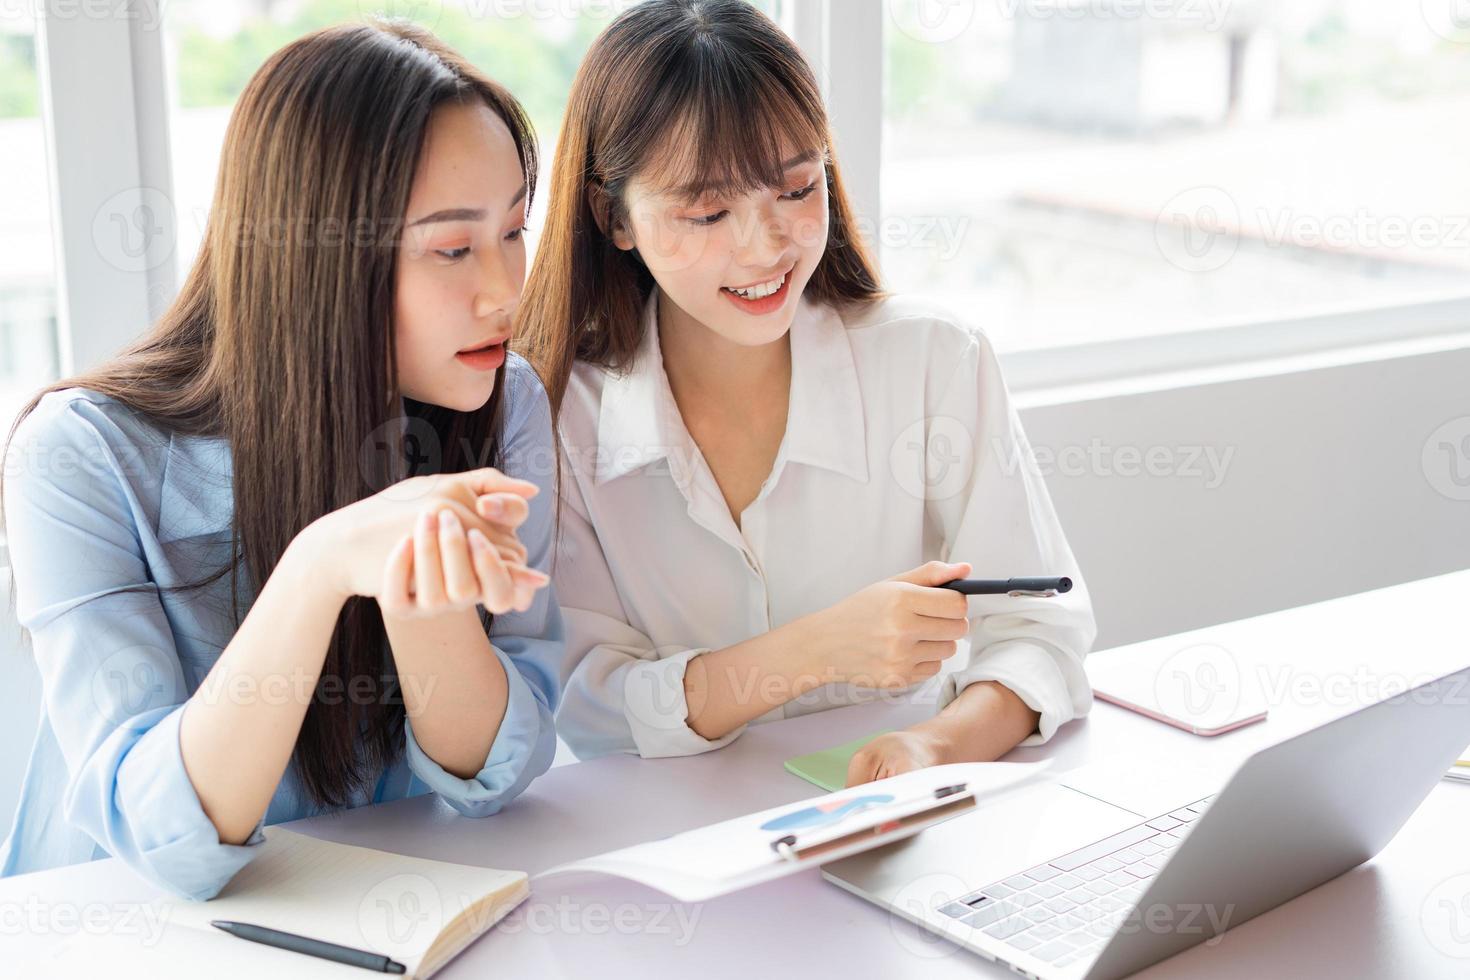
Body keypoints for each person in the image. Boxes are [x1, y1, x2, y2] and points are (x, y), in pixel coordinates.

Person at [0, 21, 562, 900]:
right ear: (316, 260)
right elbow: (165, 838)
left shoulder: (503, 398)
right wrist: (320, 566)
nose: (505, 290)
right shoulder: (81, 454)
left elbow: (494, 773)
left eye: (515, 231)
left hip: (389, 922)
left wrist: (418, 591)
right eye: (453, 249)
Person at [519, 0, 1096, 784]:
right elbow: (589, 705)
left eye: (796, 189)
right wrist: (817, 650)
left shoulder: (934, 359)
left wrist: (933, 746)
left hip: (902, 816)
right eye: (708, 210)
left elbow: (1039, 630)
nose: (765, 247)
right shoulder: (556, 415)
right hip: (670, 848)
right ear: (612, 216)